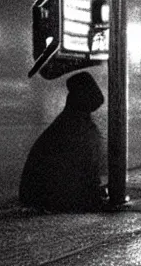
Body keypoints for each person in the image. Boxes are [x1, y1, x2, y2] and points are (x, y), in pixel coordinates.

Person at [19, 71, 107, 212]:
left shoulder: (66, 122)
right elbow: (84, 170)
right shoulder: (77, 128)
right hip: (51, 199)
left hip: (40, 196)